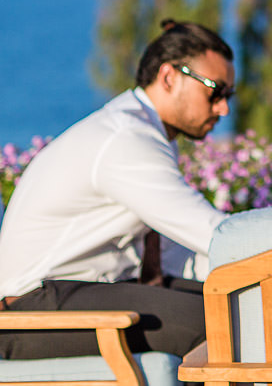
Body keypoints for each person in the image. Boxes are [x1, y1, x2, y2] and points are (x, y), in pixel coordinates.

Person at [0, 20, 234, 361]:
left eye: (229, 96)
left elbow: (174, 252)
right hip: (34, 308)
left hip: (76, 292)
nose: (223, 108)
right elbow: (210, 233)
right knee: (217, 322)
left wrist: (244, 280)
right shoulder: (126, 138)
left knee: (235, 303)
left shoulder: (143, 131)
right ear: (169, 77)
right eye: (215, 91)